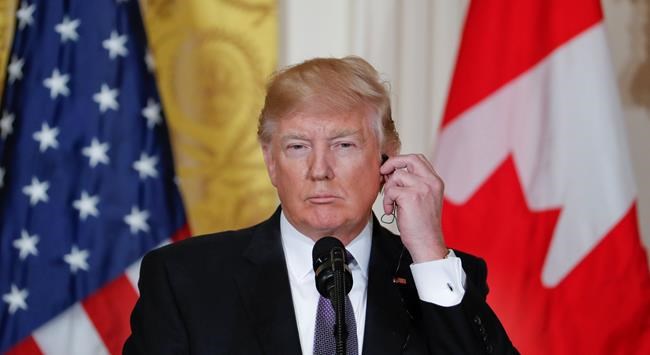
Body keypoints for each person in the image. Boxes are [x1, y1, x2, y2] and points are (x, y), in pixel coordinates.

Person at [123, 56, 518, 354]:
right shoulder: (184, 278)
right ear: (270, 161)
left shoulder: (437, 278)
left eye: (344, 145)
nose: (319, 171)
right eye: (297, 147)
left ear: (388, 158)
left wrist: (429, 253)